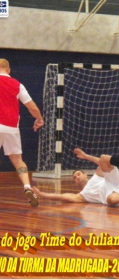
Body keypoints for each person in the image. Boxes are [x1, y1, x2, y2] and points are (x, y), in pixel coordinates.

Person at [32, 147, 119, 206]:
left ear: (85, 174)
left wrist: (86, 156)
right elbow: (63, 197)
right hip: (111, 193)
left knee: (103, 158)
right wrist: (43, 195)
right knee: (113, 200)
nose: (77, 178)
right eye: (75, 178)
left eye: (78, 174)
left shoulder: (97, 175)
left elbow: (102, 162)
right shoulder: (83, 195)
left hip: (111, 180)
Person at [0, 58, 44, 207]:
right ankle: (27, 187)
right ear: (9, 70)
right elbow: (32, 107)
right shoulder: (17, 84)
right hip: (12, 128)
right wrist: (39, 119)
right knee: (18, 160)